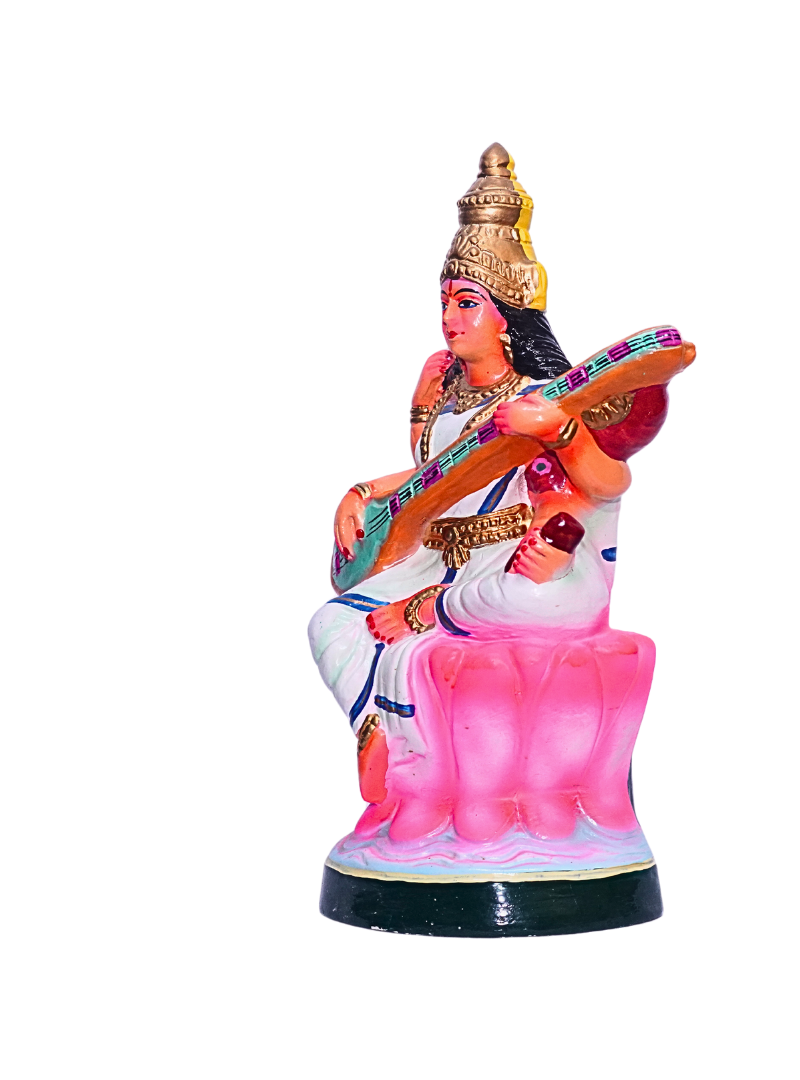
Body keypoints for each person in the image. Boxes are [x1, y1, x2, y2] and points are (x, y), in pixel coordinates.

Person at [308, 143, 671, 874]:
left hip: (506, 557)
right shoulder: (444, 389)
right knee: (329, 621)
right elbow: (429, 477)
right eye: (444, 300)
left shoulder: (537, 400)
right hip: (433, 552)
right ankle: (377, 734)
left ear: (506, 318)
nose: (449, 317)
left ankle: (445, 763)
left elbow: (606, 485)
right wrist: (361, 491)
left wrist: (560, 434)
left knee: (499, 614)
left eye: (467, 302)